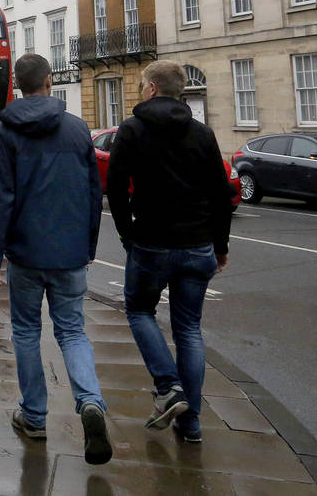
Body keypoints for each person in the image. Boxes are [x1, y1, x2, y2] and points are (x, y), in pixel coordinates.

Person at [0, 53, 112, 466]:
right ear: (50, 81)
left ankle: (34, 416)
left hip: (25, 252)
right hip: (70, 251)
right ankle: (90, 401)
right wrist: (88, 247)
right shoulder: (77, 129)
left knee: (25, 331)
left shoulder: (5, 132)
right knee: (72, 332)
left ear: (18, 85)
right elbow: (94, 195)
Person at [107, 60, 233, 444]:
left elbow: (114, 188)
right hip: (197, 245)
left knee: (140, 310)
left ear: (151, 88)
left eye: (143, 85)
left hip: (151, 242)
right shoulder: (202, 133)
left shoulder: (132, 130)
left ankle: (168, 385)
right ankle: (190, 424)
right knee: (189, 329)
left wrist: (128, 235)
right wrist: (220, 245)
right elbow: (220, 194)